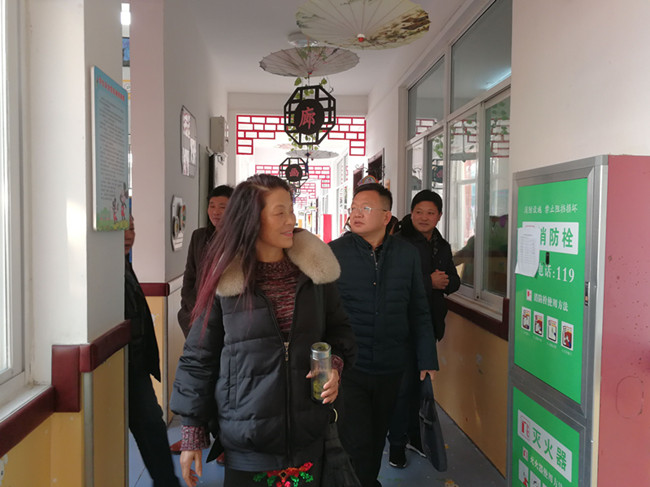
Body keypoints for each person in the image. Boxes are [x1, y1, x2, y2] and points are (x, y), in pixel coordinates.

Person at [170, 174, 357, 487]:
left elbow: (341, 331)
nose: (291, 220)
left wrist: (335, 365)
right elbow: (198, 357)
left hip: (308, 434)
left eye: (291, 211)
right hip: (246, 440)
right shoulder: (225, 281)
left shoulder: (314, 273)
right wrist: (191, 433)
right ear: (251, 220)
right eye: (280, 212)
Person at [328, 183, 438, 487]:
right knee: (355, 437)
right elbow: (322, 313)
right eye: (353, 208)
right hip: (350, 365)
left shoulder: (407, 254)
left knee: (378, 435)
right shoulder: (334, 252)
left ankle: (366, 480)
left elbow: (418, 308)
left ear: (386, 216)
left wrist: (427, 357)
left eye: (365, 208)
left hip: (392, 364)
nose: (356, 214)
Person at [387, 189, 460, 468]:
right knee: (402, 389)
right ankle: (396, 445)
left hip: (430, 326)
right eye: (419, 211)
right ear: (411, 212)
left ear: (439, 216)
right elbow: (392, 285)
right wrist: (429, 282)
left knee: (420, 388)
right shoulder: (398, 243)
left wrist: (445, 282)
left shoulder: (441, 245)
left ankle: (414, 437)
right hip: (403, 328)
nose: (424, 217)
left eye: (430, 213)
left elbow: (452, 280)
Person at [124, 215, 181, 487]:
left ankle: (167, 482)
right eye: (123, 229)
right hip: (122, 368)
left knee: (152, 426)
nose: (128, 235)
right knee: (150, 425)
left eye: (132, 228)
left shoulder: (124, 265)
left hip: (135, 367)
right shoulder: (105, 268)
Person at [177, 185, 233, 337]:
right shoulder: (199, 236)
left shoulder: (240, 240)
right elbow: (190, 275)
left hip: (228, 316)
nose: (216, 212)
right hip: (197, 314)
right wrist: (191, 307)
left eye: (222, 207)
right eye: (212, 206)